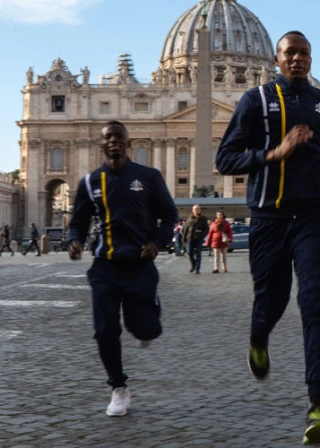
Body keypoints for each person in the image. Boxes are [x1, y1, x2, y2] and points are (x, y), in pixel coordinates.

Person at [215, 30, 320, 445]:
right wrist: (272, 154)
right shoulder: (254, 101)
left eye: (304, 53)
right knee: (271, 302)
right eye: (290, 53)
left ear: (311, 59)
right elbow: (225, 159)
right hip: (269, 218)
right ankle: (258, 335)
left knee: (316, 304)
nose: (298, 58)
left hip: (314, 217)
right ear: (275, 60)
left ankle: (317, 405)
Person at [67, 120, 177, 417]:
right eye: (108, 137)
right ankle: (118, 387)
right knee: (105, 330)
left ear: (127, 143)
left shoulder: (148, 176)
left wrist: (158, 241)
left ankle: (148, 320)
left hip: (139, 265)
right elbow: (78, 222)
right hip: (105, 267)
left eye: (119, 136)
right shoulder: (90, 182)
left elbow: (169, 215)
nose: (114, 140)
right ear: (101, 144)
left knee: (144, 328)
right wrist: (75, 241)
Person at [182, 205, 208, 274]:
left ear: (200, 210)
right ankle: (193, 264)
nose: (197, 210)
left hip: (199, 238)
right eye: (195, 209)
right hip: (190, 238)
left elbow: (206, 229)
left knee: (198, 253)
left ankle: (197, 268)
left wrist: (202, 236)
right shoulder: (189, 218)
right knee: (189, 252)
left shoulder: (203, 218)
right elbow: (185, 229)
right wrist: (183, 239)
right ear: (192, 210)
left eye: (198, 209)